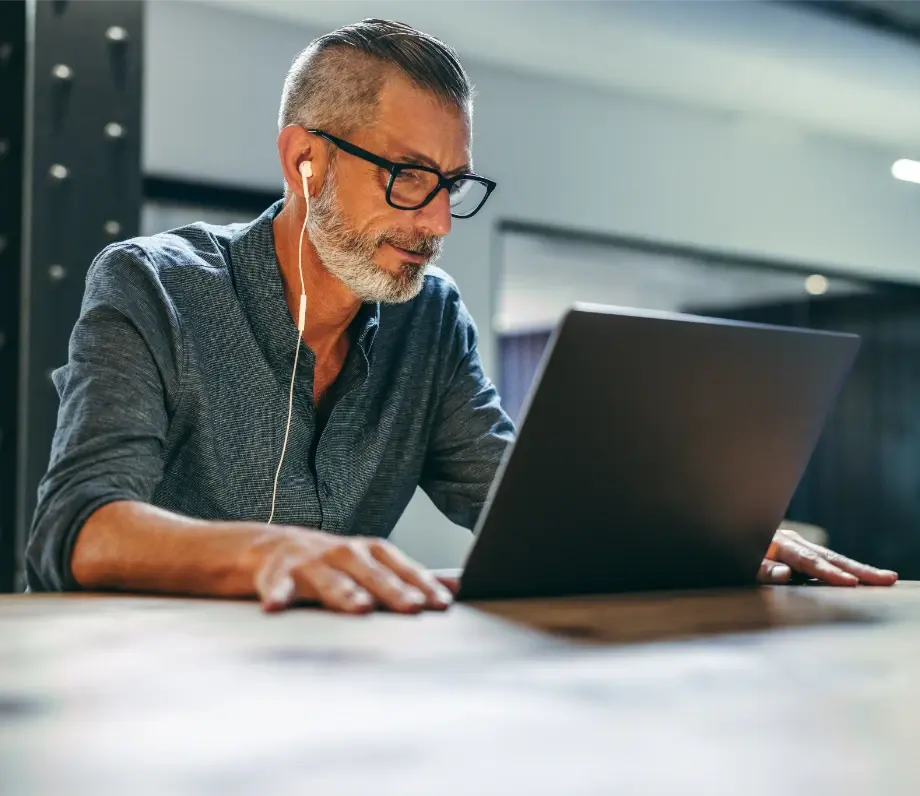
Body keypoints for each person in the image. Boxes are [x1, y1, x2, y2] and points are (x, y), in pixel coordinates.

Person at [25, 19, 897, 614]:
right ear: (306, 162)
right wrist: (264, 551)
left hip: (316, 702)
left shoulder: (427, 317)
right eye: (408, 176)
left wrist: (700, 536)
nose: (437, 223)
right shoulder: (152, 285)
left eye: (452, 185)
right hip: (145, 696)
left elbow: (510, 491)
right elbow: (78, 527)